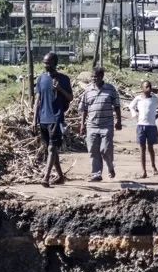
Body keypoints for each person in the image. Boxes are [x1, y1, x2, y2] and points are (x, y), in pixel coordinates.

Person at [33, 52, 73, 188]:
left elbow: (70, 98)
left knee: (52, 148)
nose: (45, 65)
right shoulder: (41, 79)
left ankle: (46, 177)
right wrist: (34, 119)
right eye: (44, 62)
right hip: (43, 119)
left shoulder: (63, 79)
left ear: (55, 63)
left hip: (56, 118)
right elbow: (37, 100)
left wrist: (60, 89)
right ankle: (61, 177)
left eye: (48, 63)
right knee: (51, 149)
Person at [77, 67, 122, 181]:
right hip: (92, 125)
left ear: (102, 76)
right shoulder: (88, 90)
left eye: (96, 76)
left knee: (105, 149)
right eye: (92, 76)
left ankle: (110, 166)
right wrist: (82, 124)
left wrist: (119, 121)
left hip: (107, 125)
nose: (93, 79)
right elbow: (84, 109)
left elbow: (116, 106)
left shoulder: (110, 89)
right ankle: (96, 174)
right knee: (93, 150)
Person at [128, 80, 158, 178]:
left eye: (149, 86)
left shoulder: (155, 98)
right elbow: (131, 106)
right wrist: (135, 116)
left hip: (151, 126)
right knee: (142, 149)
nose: (148, 88)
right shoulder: (138, 99)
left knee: (150, 148)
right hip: (141, 125)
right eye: (146, 86)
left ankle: (154, 167)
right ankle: (144, 171)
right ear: (142, 88)